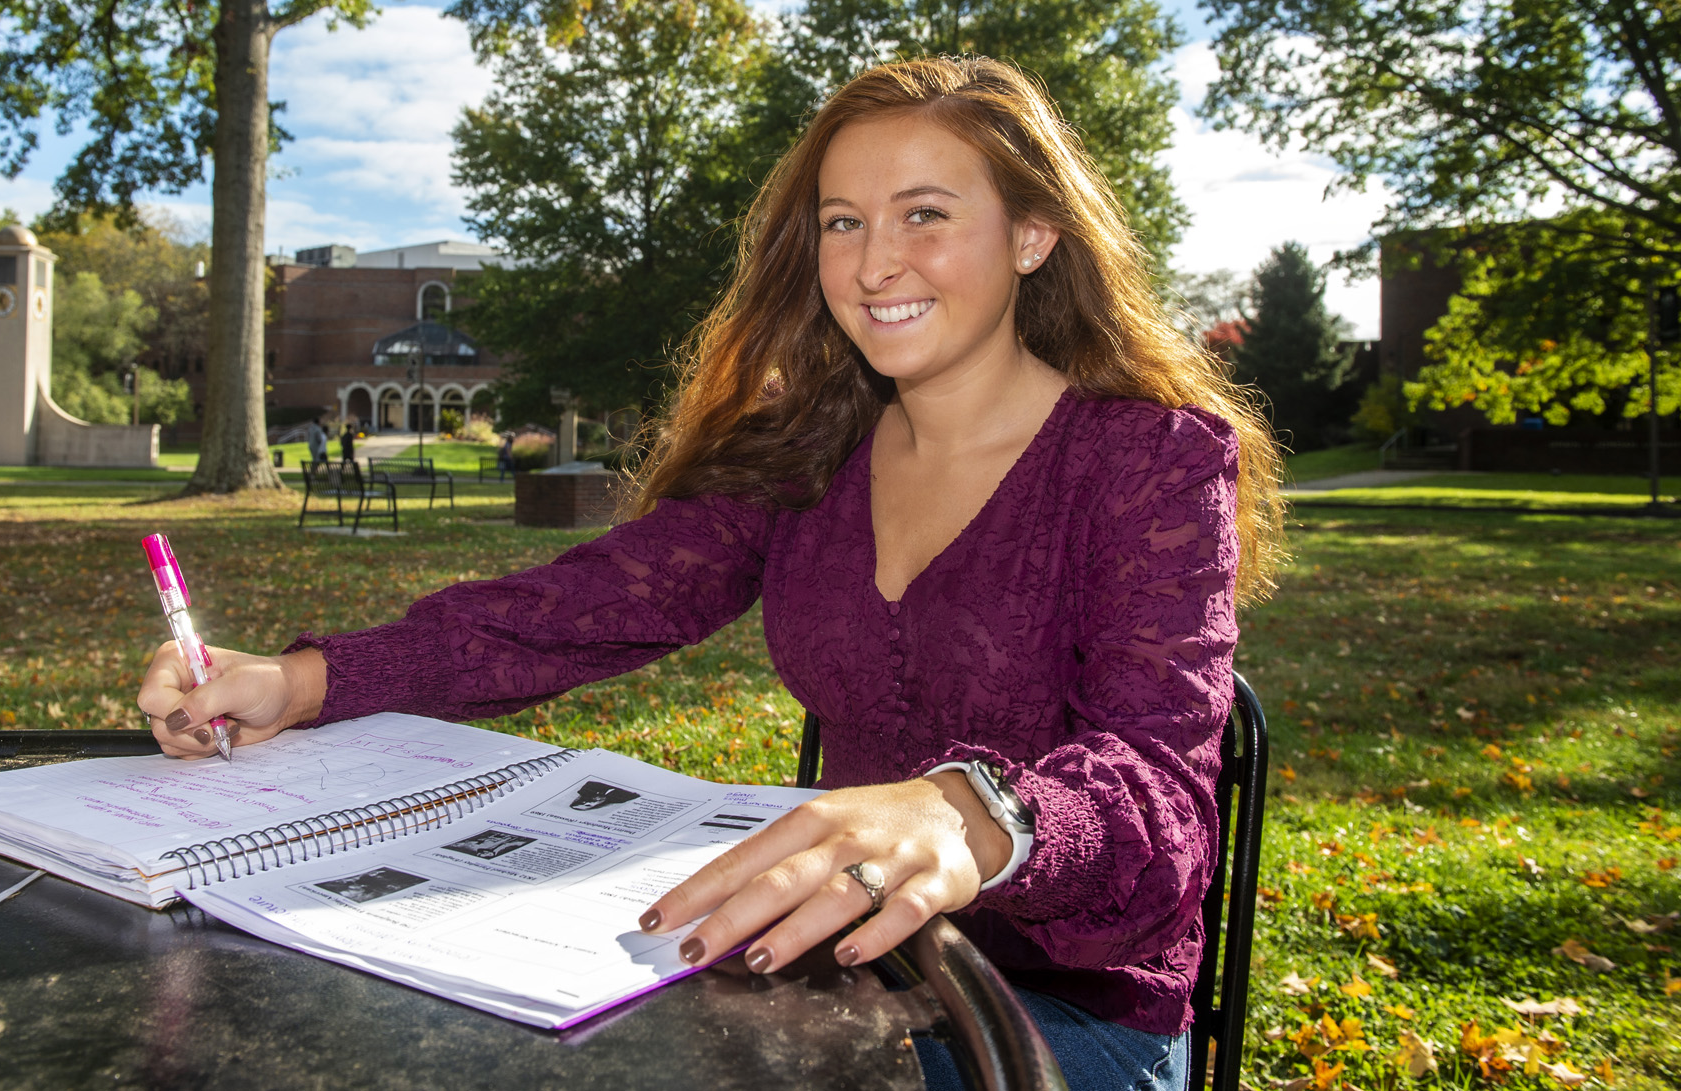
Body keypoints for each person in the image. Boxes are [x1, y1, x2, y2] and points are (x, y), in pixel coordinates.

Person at [139, 57, 1283, 1091]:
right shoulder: (815, 445)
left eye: (925, 215)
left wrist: (978, 813)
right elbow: (578, 610)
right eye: (843, 221)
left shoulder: (1150, 458)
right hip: (832, 983)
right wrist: (305, 679)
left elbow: (1159, 799)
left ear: (1031, 234)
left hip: (1062, 1017)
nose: (875, 261)